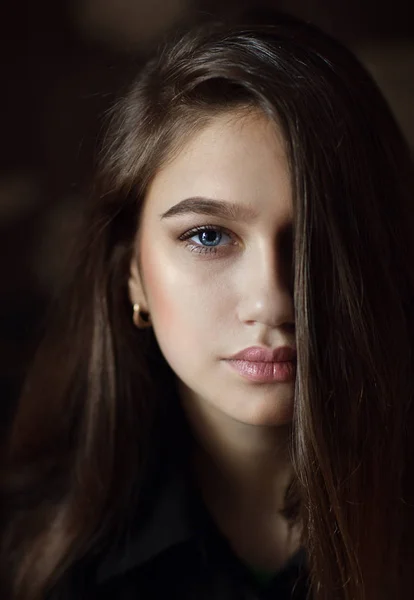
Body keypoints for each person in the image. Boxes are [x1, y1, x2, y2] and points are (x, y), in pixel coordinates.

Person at [1, 10, 414, 600]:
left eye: (317, 241)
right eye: (208, 236)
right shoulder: (30, 548)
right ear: (133, 276)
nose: (271, 300)